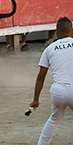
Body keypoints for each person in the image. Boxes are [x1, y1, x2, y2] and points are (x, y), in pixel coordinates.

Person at [30, 17, 73, 145]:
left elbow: (40, 77)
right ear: (72, 32)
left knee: (54, 120)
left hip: (58, 92)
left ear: (56, 32)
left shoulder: (49, 49)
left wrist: (36, 99)